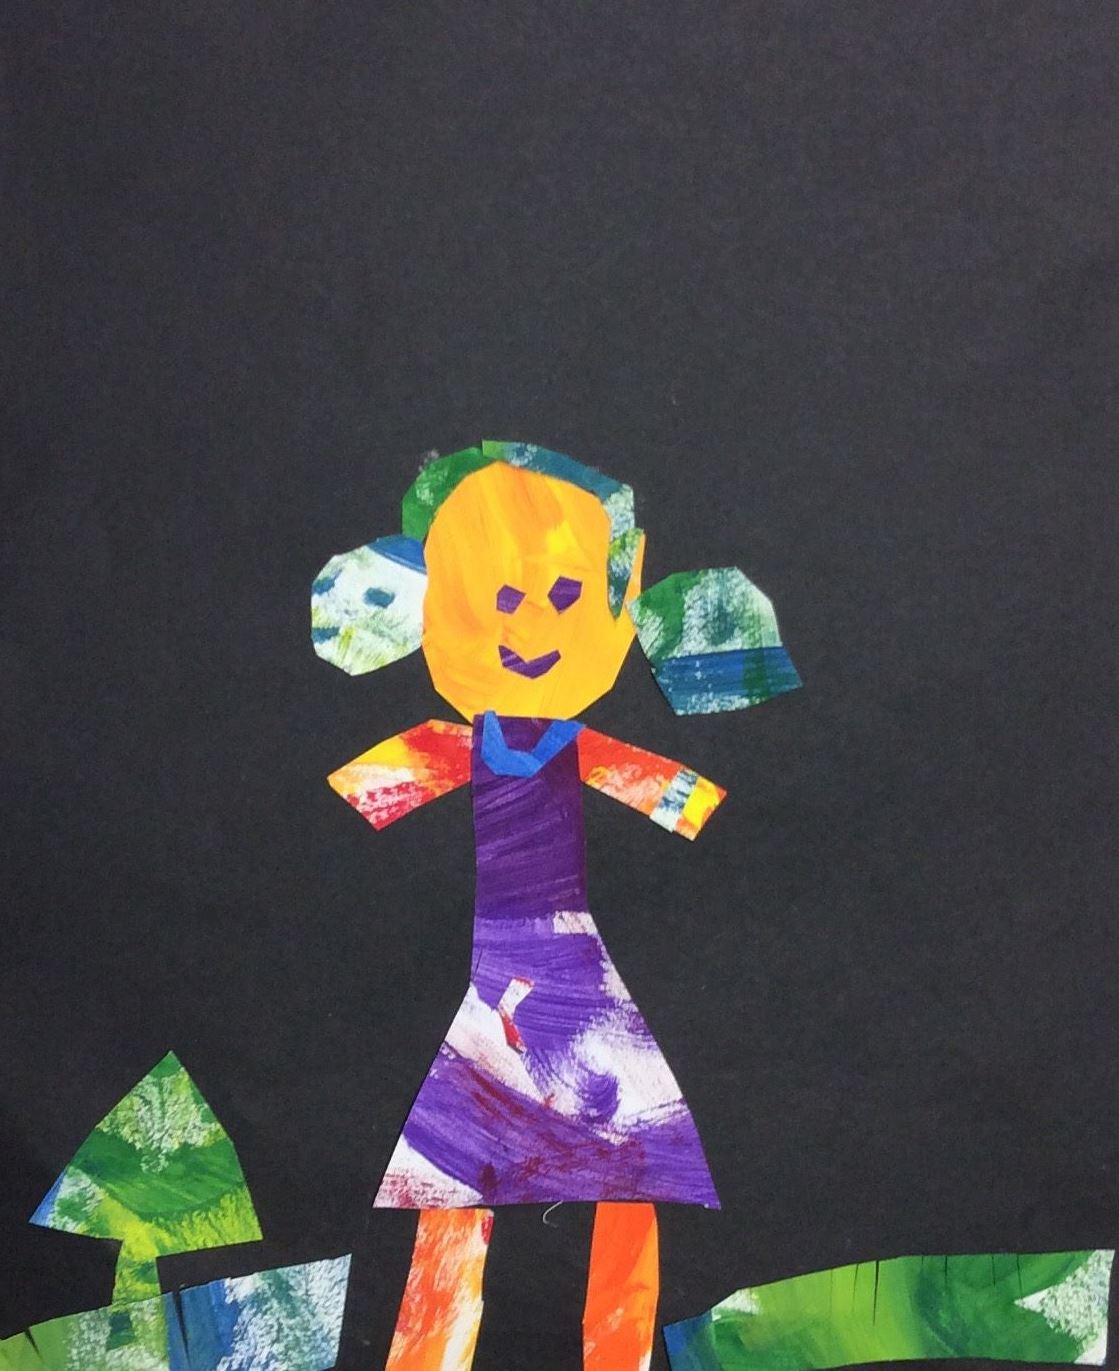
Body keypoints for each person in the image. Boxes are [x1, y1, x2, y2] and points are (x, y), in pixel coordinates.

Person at [312, 441, 799, 1370]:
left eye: (568, 594)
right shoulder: (453, 744)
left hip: (576, 984)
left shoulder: (576, 747)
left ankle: (618, 1355)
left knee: (628, 1169)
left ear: (621, 606)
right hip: (500, 981)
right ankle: (427, 1354)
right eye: (500, 597)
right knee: (458, 1172)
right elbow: (358, 795)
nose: (533, 622)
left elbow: (690, 803)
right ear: (434, 608)